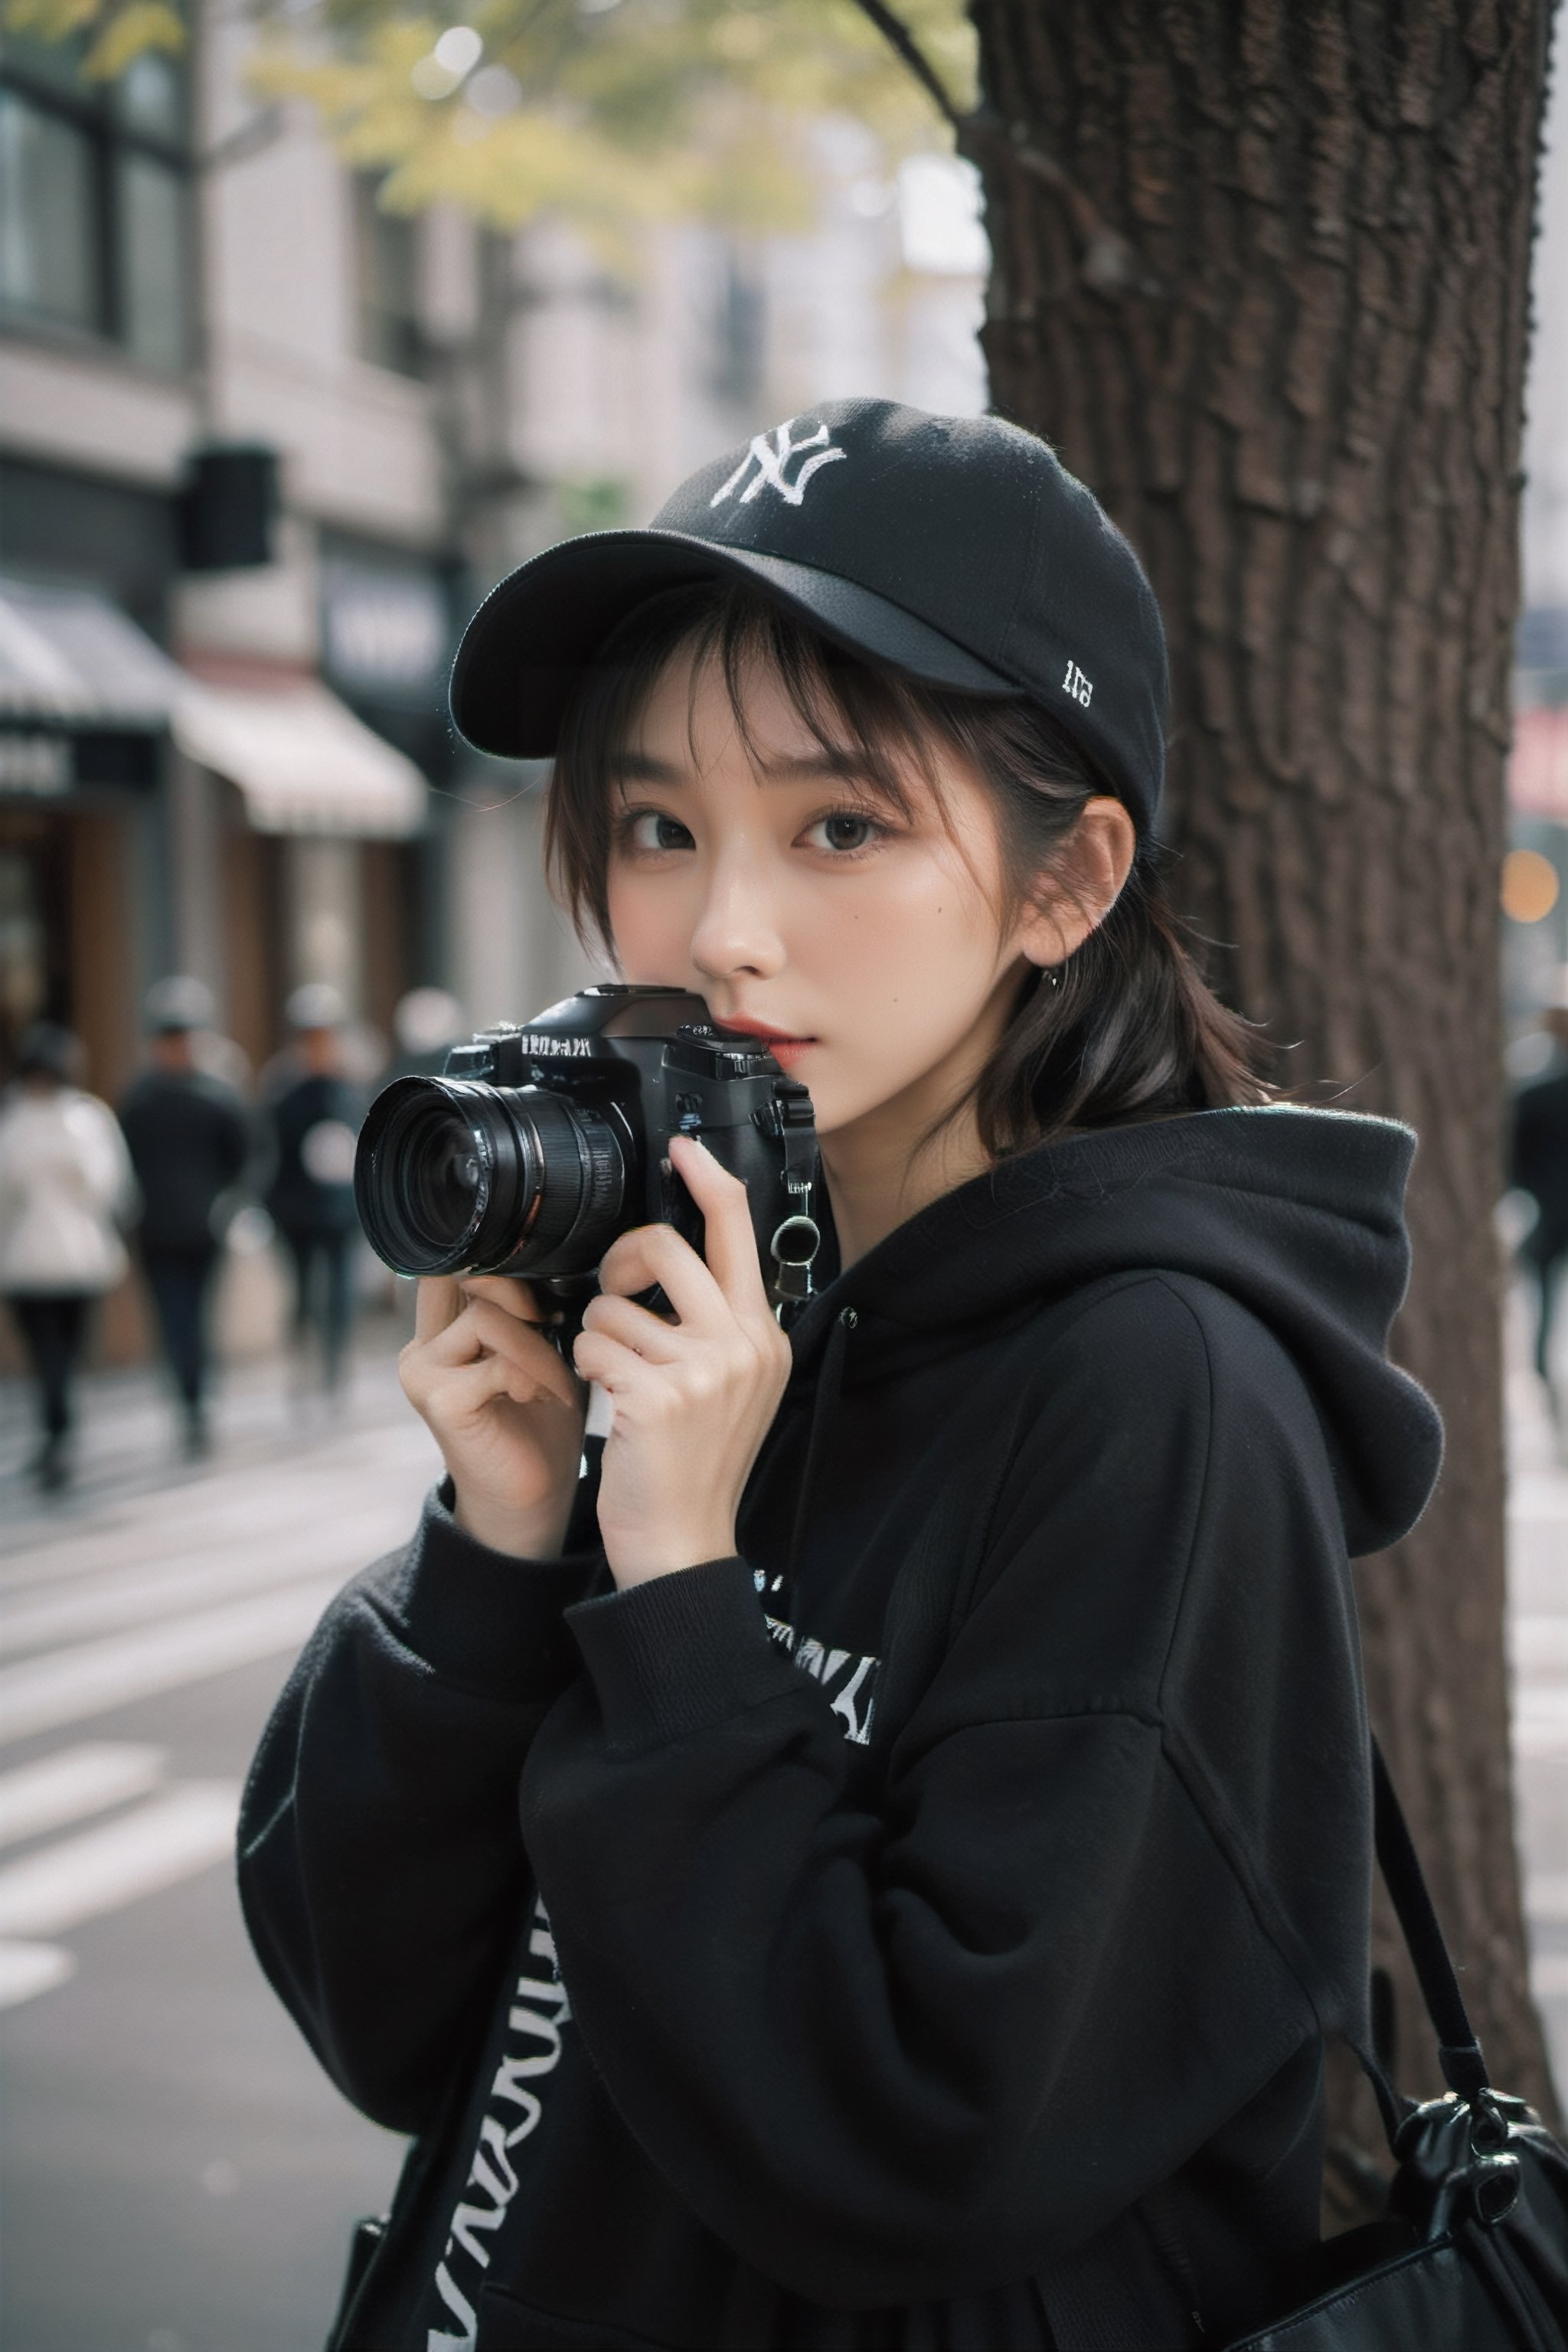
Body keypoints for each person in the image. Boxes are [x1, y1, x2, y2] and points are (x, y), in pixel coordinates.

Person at [238, 402, 1443, 2351]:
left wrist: (689, 1592)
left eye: (841, 824)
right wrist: (502, 1542)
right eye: (655, 825)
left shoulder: (1155, 1389)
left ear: (1062, 885)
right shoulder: (712, 1300)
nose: (717, 929)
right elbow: (387, 2016)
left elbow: (916, 2141)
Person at [118, 976, 252, 1455]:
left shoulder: (216, 1096)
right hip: (155, 1230)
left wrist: (229, 1204)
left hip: (203, 1229)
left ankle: (197, 1400)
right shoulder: (139, 1100)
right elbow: (120, 1164)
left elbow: (245, 1157)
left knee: (197, 1319)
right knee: (173, 1321)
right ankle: (187, 1400)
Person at [0, 1021, 135, 1490]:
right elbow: (111, 1188)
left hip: (28, 1259)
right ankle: (61, 1432)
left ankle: (56, 1433)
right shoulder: (89, 1120)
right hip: (79, 1256)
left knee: (47, 1355)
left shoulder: (15, 1123)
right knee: (66, 1354)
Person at [260, 985, 364, 1395]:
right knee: (302, 1290)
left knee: (340, 1291)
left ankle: (334, 1367)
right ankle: (302, 1361)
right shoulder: (283, 1087)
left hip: (341, 1209)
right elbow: (270, 1148)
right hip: (297, 1209)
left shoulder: (352, 1086)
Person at [1512, 991, 1568, 1395]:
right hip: (1551, 1211)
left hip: (1550, 1209)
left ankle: (1542, 1371)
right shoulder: (1536, 1093)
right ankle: (1541, 1371)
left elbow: (1515, 1161)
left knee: (1544, 1301)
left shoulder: (1535, 1093)